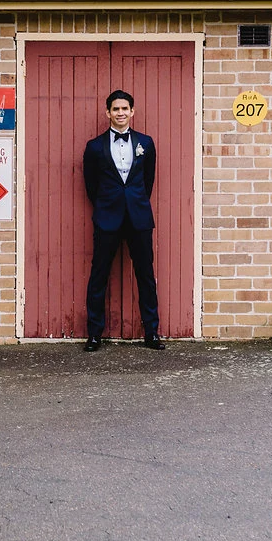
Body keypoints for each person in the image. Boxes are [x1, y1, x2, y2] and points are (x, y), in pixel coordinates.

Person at [81, 89, 163, 351]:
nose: (120, 113)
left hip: (138, 217)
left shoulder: (146, 143)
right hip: (107, 217)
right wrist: (107, 206)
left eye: (124, 109)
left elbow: (147, 181)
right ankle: (94, 334)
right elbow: (91, 185)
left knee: (146, 276)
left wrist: (134, 202)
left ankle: (152, 333)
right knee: (99, 275)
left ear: (132, 112)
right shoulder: (94, 147)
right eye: (115, 109)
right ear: (108, 113)